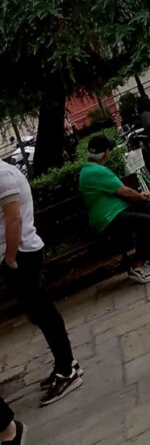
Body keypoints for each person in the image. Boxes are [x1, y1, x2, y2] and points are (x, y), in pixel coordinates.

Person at [0, 161, 82, 407]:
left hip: (21, 255)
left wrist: (10, 258)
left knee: (43, 312)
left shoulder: (2, 175)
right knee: (38, 312)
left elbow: (14, 219)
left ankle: (67, 370)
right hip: (19, 255)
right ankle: (65, 362)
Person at [79, 135, 150, 285]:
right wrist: (142, 197)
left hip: (118, 211)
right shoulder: (96, 172)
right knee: (147, 221)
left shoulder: (92, 169)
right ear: (105, 153)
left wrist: (141, 197)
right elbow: (125, 192)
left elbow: (120, 192)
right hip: (108, 219)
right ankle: (137, 265)